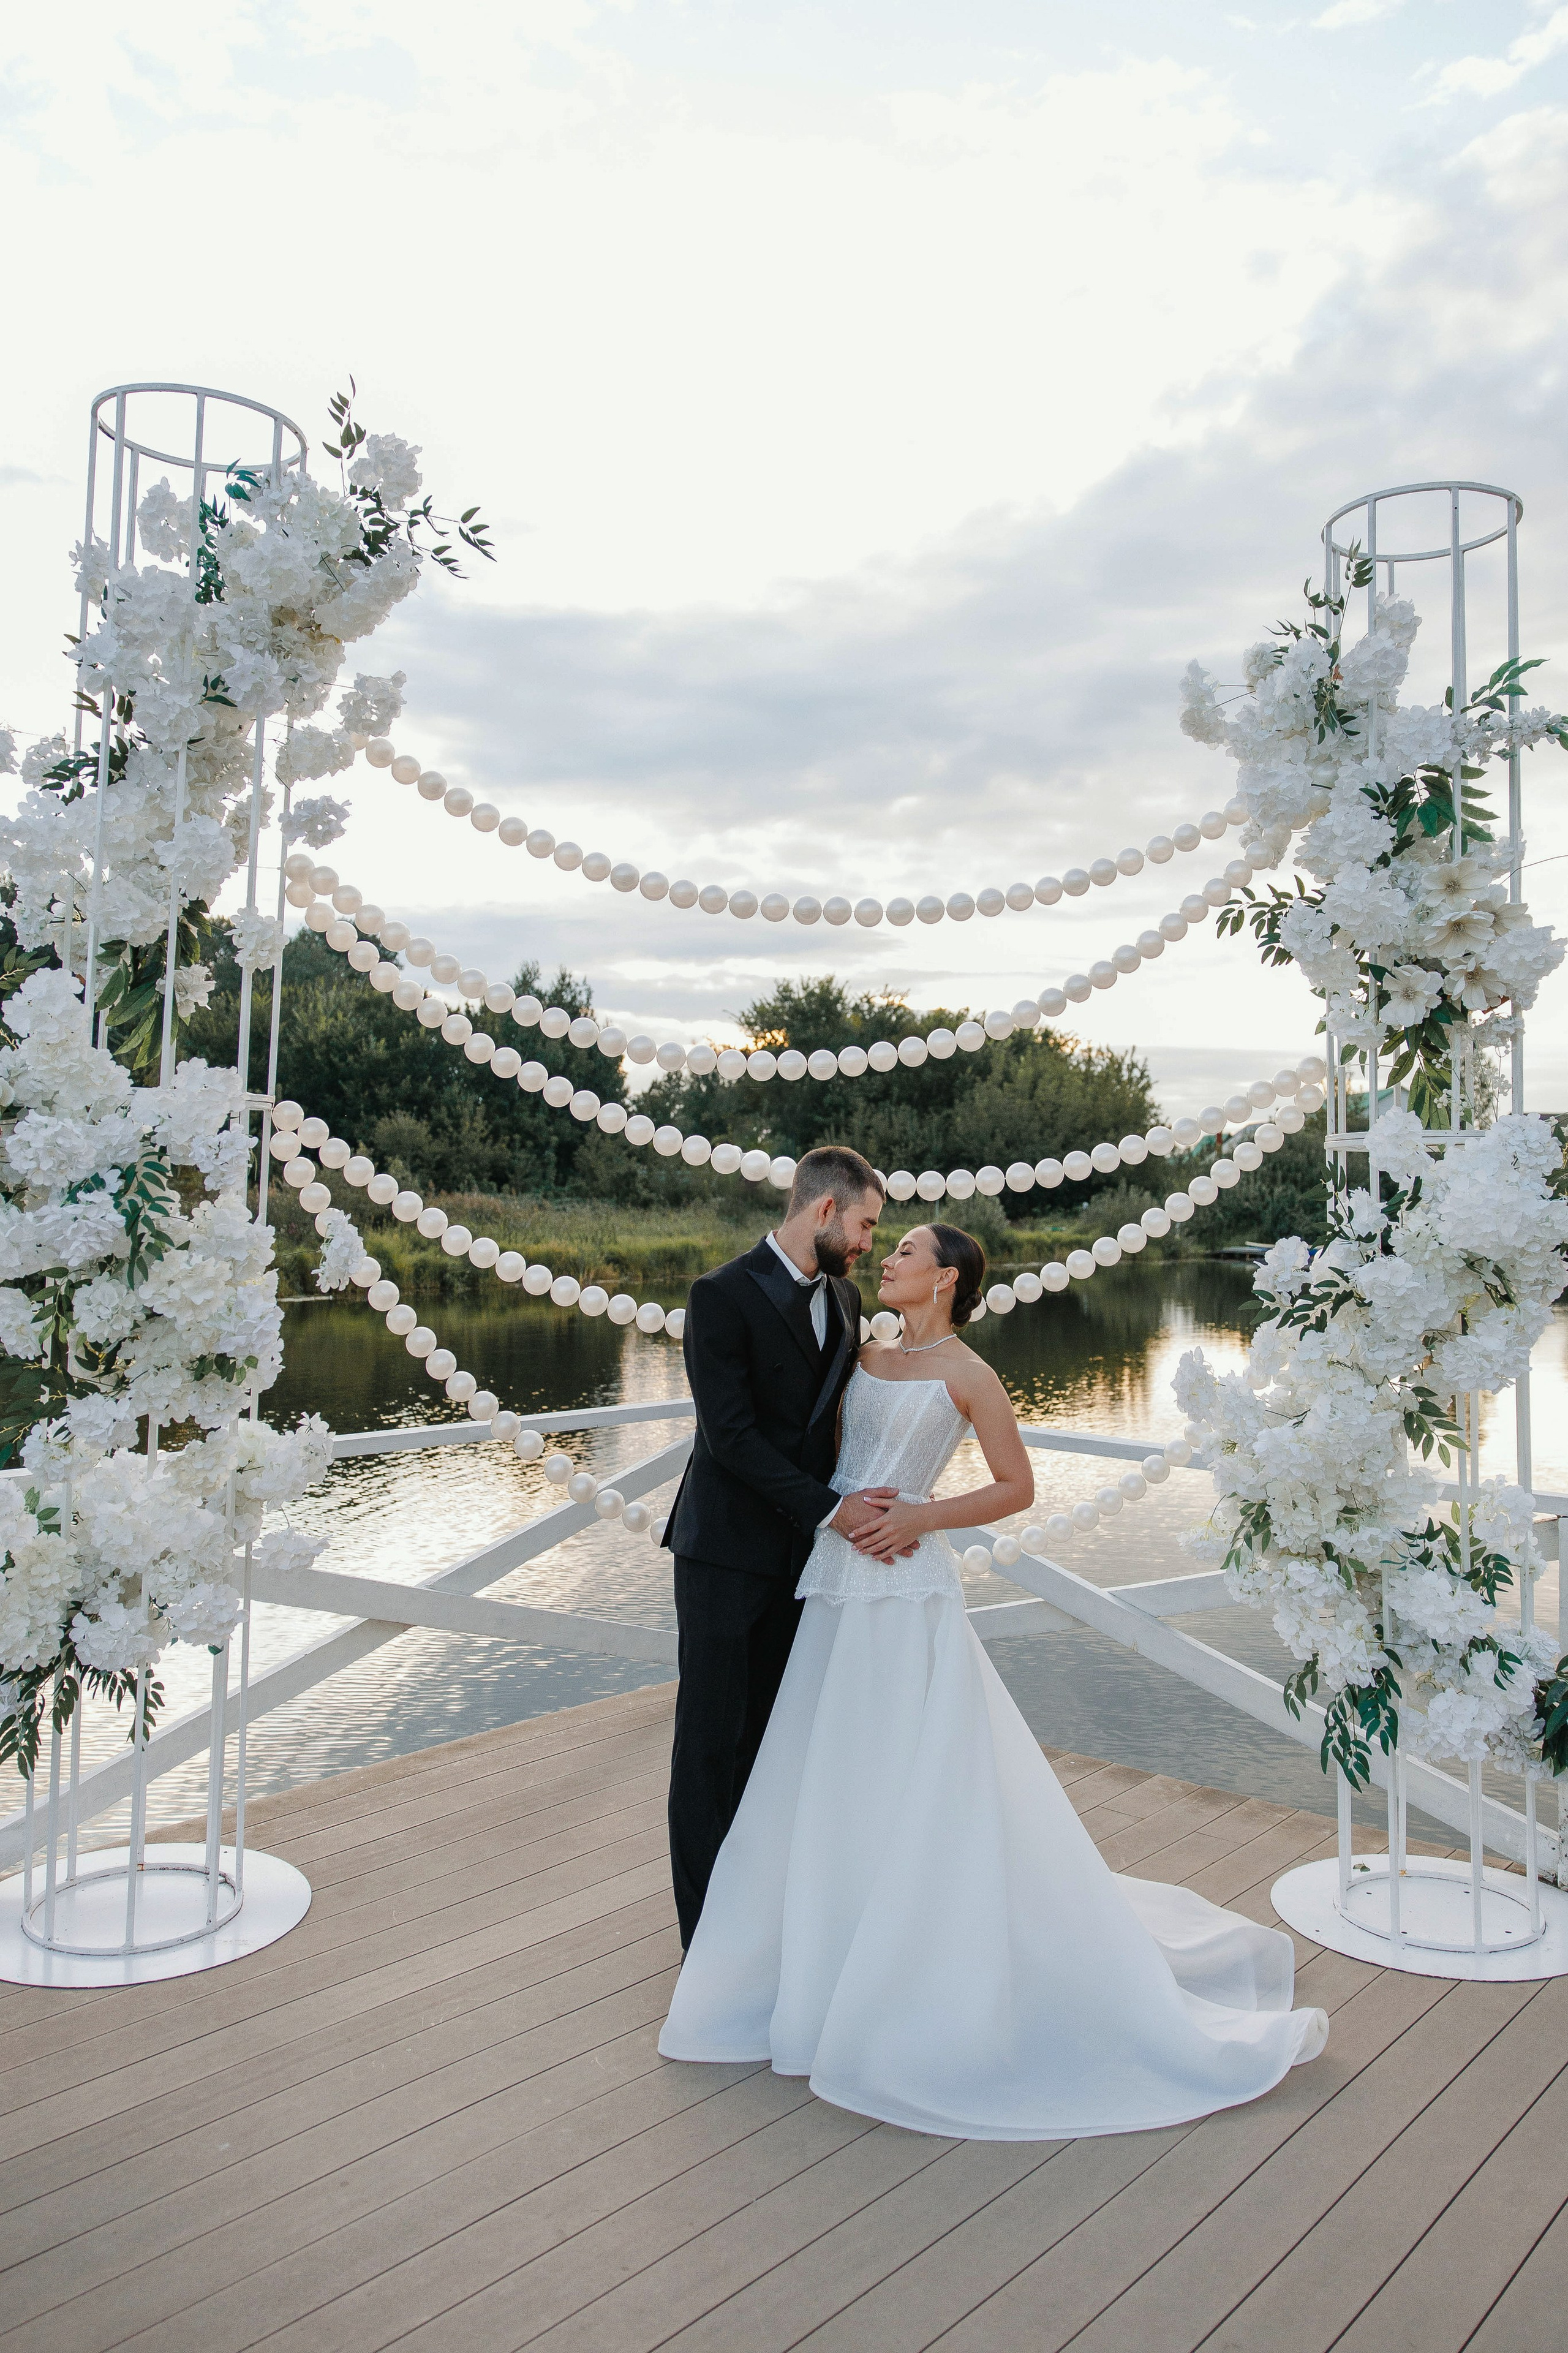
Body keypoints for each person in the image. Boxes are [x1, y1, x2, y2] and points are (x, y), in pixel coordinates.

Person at [659, 1220, 1329, 2140]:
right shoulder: (861, 1347)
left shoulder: (970, 1376)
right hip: (834, 1582)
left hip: (903, 1587)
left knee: (912, 1773)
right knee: (825, 1773)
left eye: (902, 1254)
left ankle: (915, 1961)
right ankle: (816, 1952)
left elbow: (1016, 1486)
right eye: (882, 1246)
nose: (884, 1260)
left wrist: (925, 1515)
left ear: (944, 1279)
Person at [662, 1144, 899, 1952]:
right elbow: (728, 1438)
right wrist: (834, 1511)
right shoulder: (720, 1296)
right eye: (866, 1223)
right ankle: (705, 1944)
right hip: (724, 1554)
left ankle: (759, 1918)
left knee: (769, 1742)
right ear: (826, 1211)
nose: (870, 1240)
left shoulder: (846, 1296)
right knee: (709, 1748)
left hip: (801, 1559)